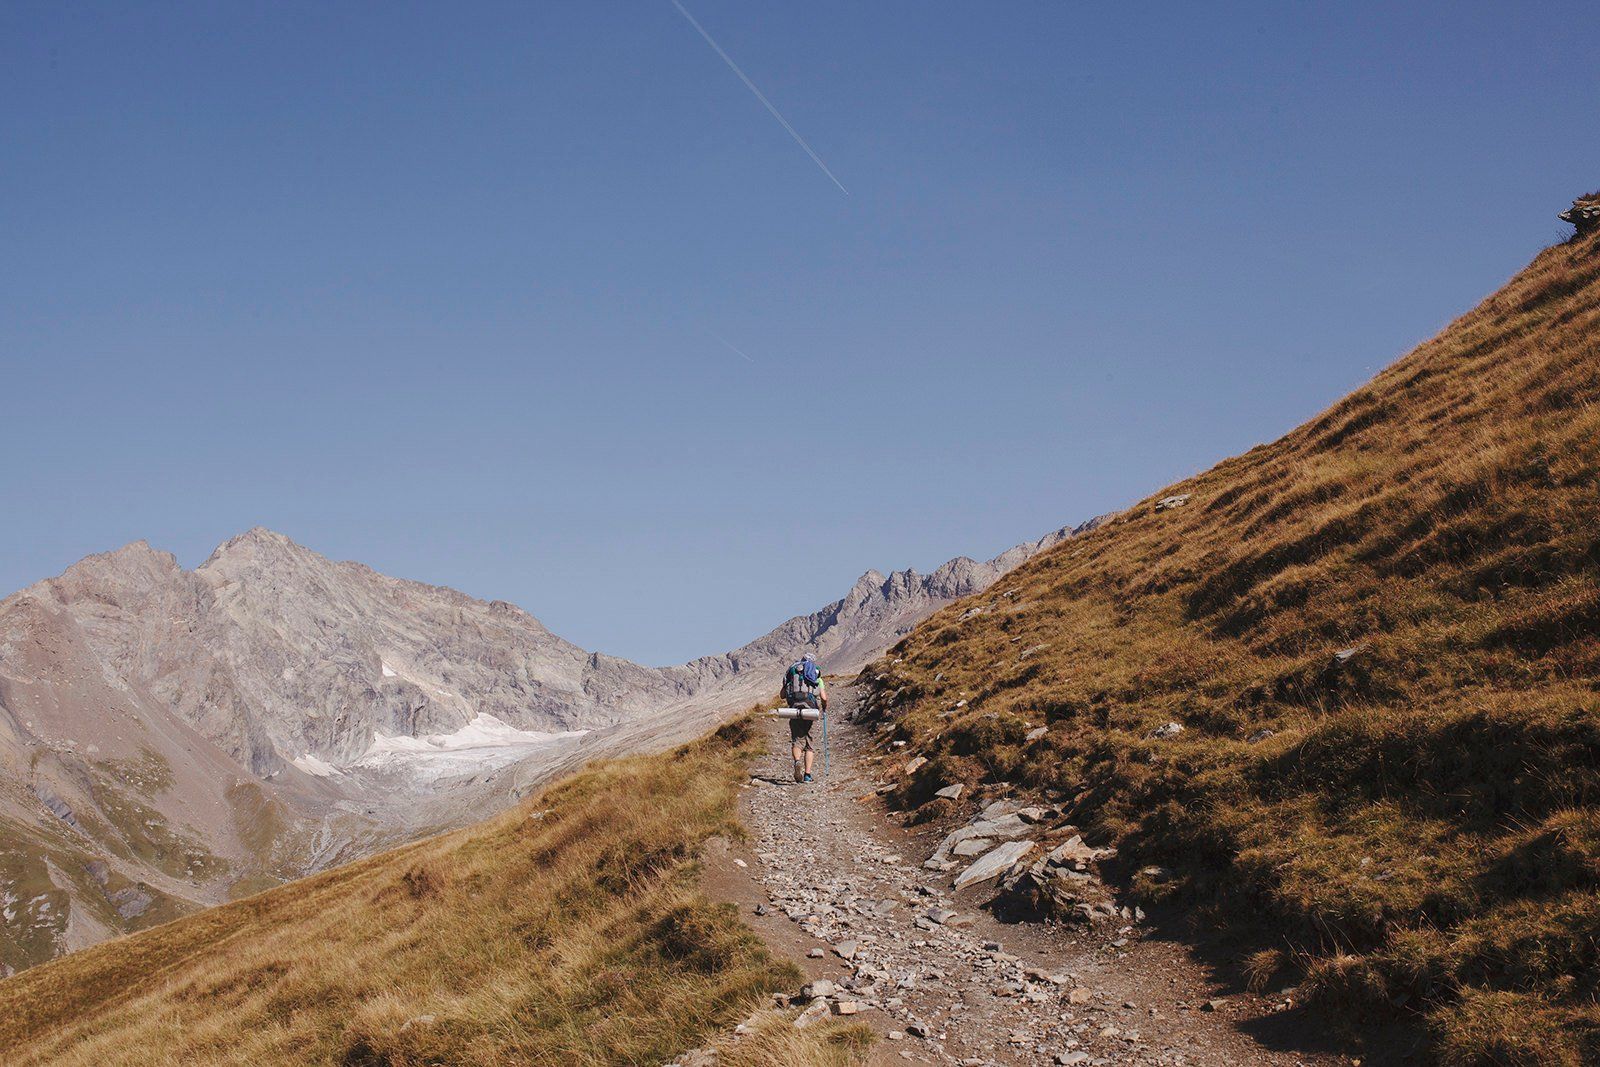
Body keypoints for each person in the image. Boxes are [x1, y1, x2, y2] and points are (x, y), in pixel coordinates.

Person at [781, 653, 828, 783]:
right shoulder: (816, 675)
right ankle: (807, 775)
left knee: (797, 740)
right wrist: (824, 708)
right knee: (809, 745)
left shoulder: (792, 673)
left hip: (794, 710)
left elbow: (782, 695)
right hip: (810, 711)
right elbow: (824, 698)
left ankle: (797, 762)